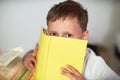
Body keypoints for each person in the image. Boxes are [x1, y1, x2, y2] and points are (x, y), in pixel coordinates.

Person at [23, 0, 120, 80]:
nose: (59, 42)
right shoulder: (45, 49)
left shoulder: (95, 65)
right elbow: (31, 57)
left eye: (68, 35)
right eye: (53, 34)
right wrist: (27, 56)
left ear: (84, 36)